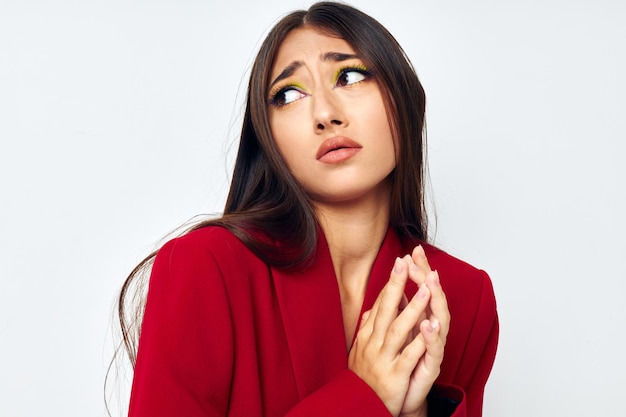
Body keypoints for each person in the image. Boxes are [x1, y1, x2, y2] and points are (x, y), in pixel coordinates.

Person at [117, 2, 498, 417]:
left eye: (350, 76)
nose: (325, 115)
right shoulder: (204, 267)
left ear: (404, 97)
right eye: (289, 94)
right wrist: (364, 397)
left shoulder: (460, 296)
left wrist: (415, 413)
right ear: (269, 139)